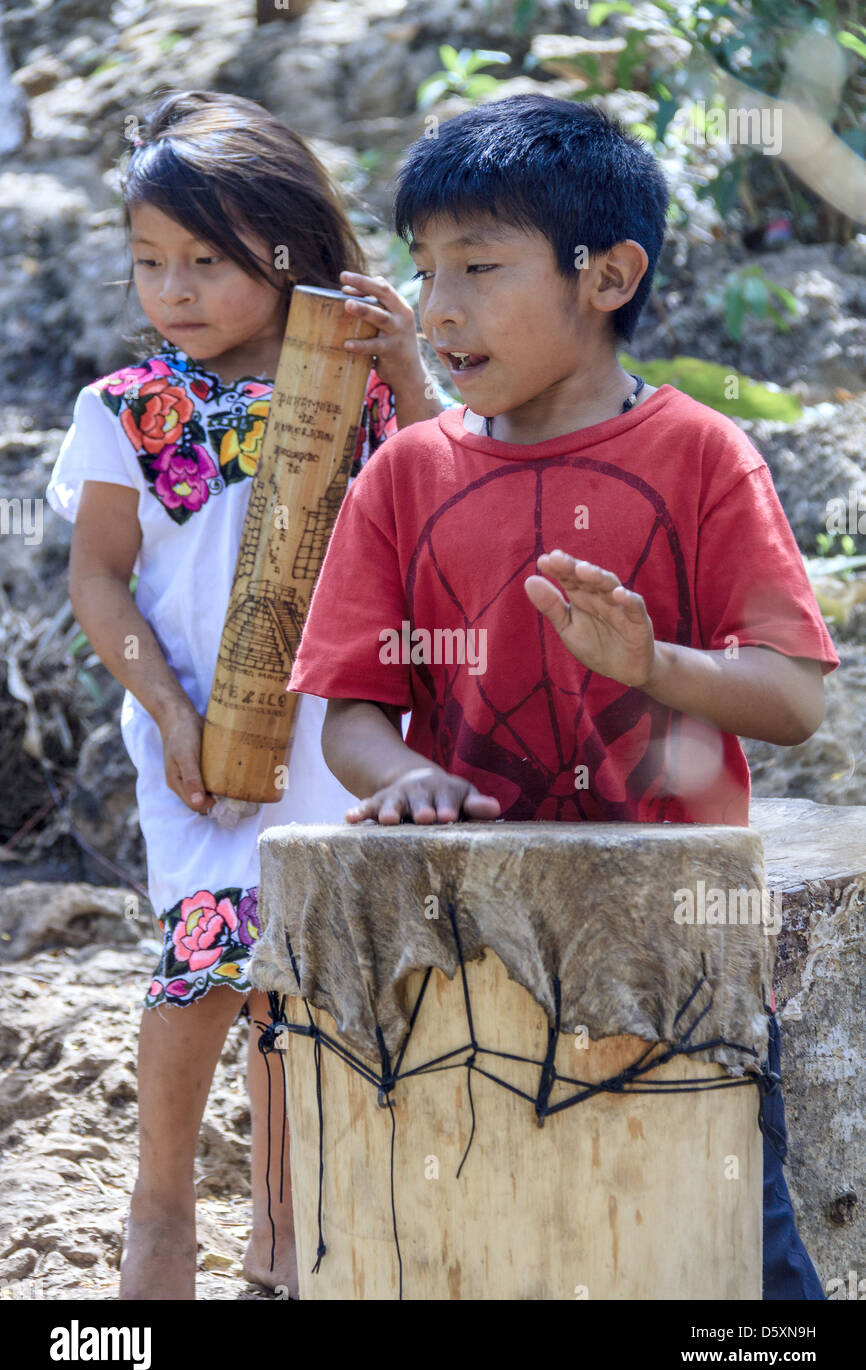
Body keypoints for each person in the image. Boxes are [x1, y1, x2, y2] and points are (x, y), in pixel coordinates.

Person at [285, 94, 840, 1299]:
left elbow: (793, 699)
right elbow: (351, 716)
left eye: (479, 267)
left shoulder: (701, 455)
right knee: (486, 1252)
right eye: (425, 270)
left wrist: (654, 667)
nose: (437, 308)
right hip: (458, 968)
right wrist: (406, 777)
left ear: (608, 275)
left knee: (735, 1260)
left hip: (676, 959)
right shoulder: (403, 477)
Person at [44, 88, 443, 1300]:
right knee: (207, 954)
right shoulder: (127, 412)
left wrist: (412, 375)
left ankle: (280, 1234)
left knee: (310, 972)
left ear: (285, 248)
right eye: (148, 263)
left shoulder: (368, 386)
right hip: (206, 741)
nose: (171, 289)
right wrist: (169, 712)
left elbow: (446, 503)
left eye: (204, 260)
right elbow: (100, 577)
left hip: (353, 727)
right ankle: (160, 1204)